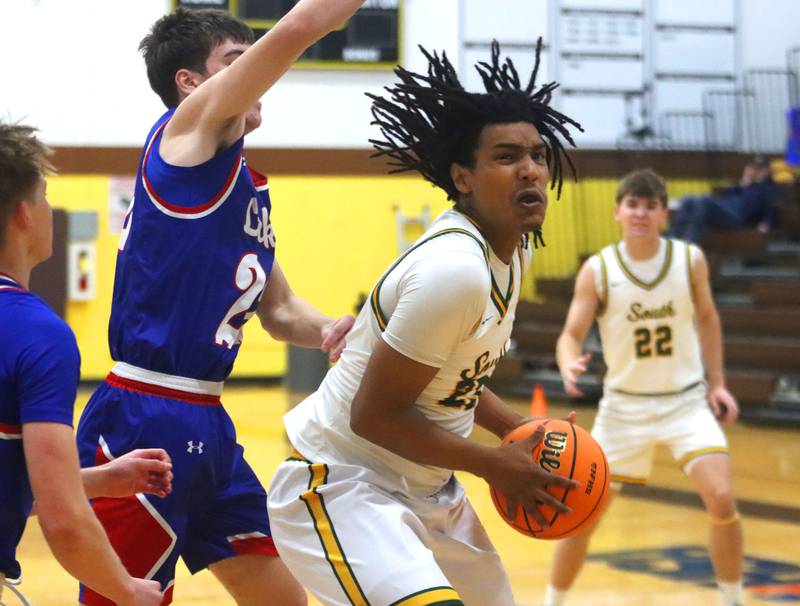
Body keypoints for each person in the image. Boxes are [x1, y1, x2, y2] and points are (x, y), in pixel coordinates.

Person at [266, 41, 584, 606]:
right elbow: (373, 415)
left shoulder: (514, 251)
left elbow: (456, 380)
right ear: (463, 177)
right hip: (341, 481)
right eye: (507, 156)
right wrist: (493, 463)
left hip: (430, 487)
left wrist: (519, 430)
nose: (530, 169)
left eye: (538, 154)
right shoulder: (454, 270)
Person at [74, 3, 362, 605]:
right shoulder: (184, 137)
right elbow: (301, 24)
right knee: (127, 599)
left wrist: (332, 329)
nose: (257, 71)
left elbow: (280, 311)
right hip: (144, 414)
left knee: (285, 599)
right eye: (237, 60)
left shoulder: (243, 186)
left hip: (209, 421)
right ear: (191, 83)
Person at [544, 169, 744, 606]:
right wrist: (567, 362)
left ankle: (732, 600)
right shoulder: (598, 269)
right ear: (617, 211)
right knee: (582, 517)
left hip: (685, 402)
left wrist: (718, 384)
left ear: (663, 215)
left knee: (722, 498)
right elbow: (570, 334)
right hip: (623, 409)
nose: (640, 213)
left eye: (650, 206)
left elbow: (708, 319)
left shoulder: (689, 260)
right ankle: (551, 602)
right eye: (633, 204)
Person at [0, 121, 174, 605]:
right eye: (44, 197)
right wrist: (127, 590)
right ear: (24, 214)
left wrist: (98, 481)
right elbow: (64, 521)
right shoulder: (36, 333)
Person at [668, 157, 776, 244]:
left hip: (736, 218)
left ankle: (691, 245)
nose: (755, 171)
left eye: (760, 169)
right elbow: (725, 197)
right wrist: (743, 184)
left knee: (703, 200)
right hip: (723, 212)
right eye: (753, 168)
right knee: (688, 200)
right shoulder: (741, 186)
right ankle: (673, 241)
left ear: (767, 171)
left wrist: (766, 223)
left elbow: (771, 209)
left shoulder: (766, 189)